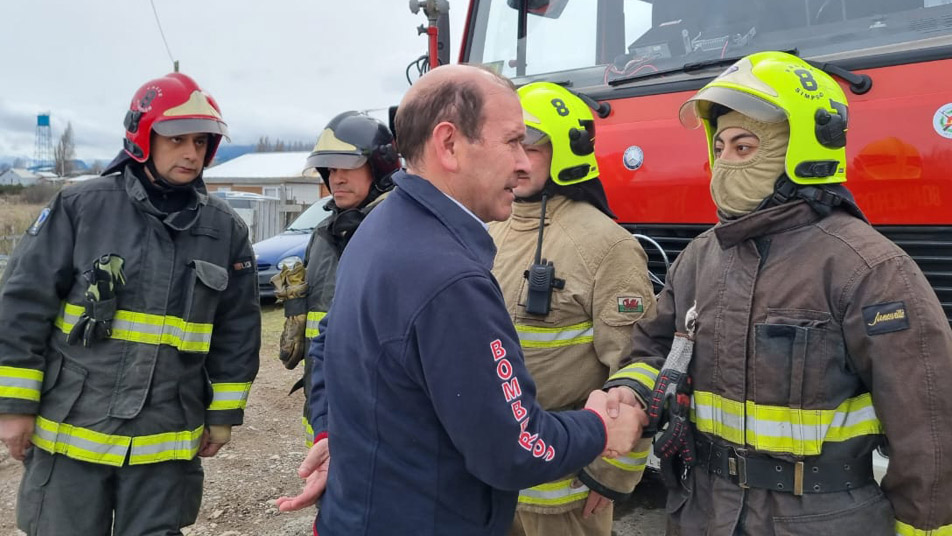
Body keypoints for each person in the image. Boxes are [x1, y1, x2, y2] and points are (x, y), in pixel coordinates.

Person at [275, 64, 647, 535]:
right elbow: (512, 448)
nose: (523, 163)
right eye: (513, 142)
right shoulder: (448, 276)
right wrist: (600, 428)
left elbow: (335, 346)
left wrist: (337, 437)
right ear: (449, 144)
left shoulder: (380, 229)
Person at [603, 51, 952, 535]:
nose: (724, 163)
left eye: (744, 147)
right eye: (719, 147)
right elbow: (653, 349)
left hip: (820, 521)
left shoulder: (869, 268)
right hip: (703, 516)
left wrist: (926, 527)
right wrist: (629, 391)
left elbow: (929, 425)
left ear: (804, 148)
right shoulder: (701, 256)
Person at [0, 72, 261, 535]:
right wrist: (14, 406)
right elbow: (23, 305)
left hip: (164, 443)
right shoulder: (82, 206)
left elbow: (237, 331)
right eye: (177, 139)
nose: (191, 153)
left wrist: (222, 415)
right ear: (143, 137)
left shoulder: (225, 230)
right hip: (72, 434)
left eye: (201, 141)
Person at [488, 81, 656, 536]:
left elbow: (638, 366)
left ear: (568, 150)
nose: (517, 159)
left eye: (530, 145)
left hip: (565, 498)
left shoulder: (607, 246)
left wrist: (614, 476)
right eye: (508, 143)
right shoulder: (488, 230)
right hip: (488, 483)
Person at [270, 111, 399, 447]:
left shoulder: (399, 232)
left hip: (381, 412)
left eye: (348, 166)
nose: (336, 178)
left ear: (380, 166)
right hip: (324, 408)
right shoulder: (323, 236)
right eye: (331, 169)